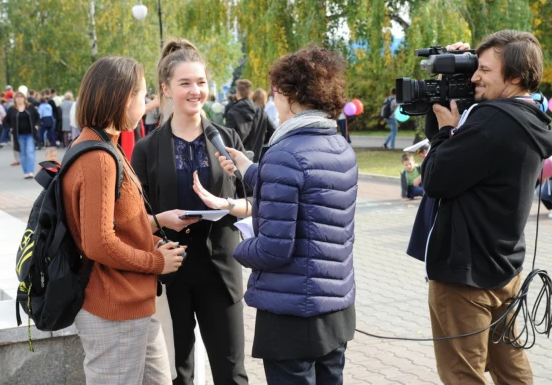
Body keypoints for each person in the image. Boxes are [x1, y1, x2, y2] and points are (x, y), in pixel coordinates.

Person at [419, 30, 552, 384]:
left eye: (483, 70)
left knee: (462, 374)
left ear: (514, 77)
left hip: (465, 276)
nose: (476, 77)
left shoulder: (490, 122)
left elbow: (435, 180)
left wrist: (446, 133)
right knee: (512, 371)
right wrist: (451, 88)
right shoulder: (528, 118)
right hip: (503, 268)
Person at [217, 45, 357, 385]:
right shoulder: (339, 147)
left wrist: (236, 243)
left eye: (277, 91)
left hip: (293, 315)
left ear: (289, 94)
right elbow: (305, 188)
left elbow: (273, 249)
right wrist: (248, 169)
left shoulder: (285, 153)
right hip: (334, 309)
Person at [131, 38, 250, 385]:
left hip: (222, 268)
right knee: (177, 372)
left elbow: (256, 203)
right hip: (170, 269)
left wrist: (227, 204)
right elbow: (134, 216)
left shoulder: (226, 139)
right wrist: (158, 224)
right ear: (166, 89)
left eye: (200, 82)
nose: (195, 90)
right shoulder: (147, 149)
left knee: (231, 372)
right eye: (185, 83)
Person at [62, 55, 186, 385]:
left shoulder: (106, 146)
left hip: (133, 304)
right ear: (122, 97)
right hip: (113, 308)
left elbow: (117, 221)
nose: (146, 103)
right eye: (142, 95)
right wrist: (155, 261)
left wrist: (154, 226)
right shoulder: (98, 158)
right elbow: (98, 242)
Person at [226, 79, 271, 162]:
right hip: (257, 159)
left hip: (239, 160)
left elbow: (228, 140)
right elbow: (272, 132)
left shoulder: (232, 112)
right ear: (251, 94)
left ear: (238, 94)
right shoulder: (261, 111)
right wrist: (259, 142)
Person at [4, 91, 40, 178]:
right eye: (17, 97)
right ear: (15, 99)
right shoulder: (12, 109)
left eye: (21, 97)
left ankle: (31, 171)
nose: (19, 98)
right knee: (22, 153)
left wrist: (36, 125)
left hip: (30, 134)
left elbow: (37, 117)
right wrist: (10, 128)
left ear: (24, 98)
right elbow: (5, 120)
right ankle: (26, 172)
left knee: (30, 152)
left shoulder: (30, 107)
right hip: (19, 135)